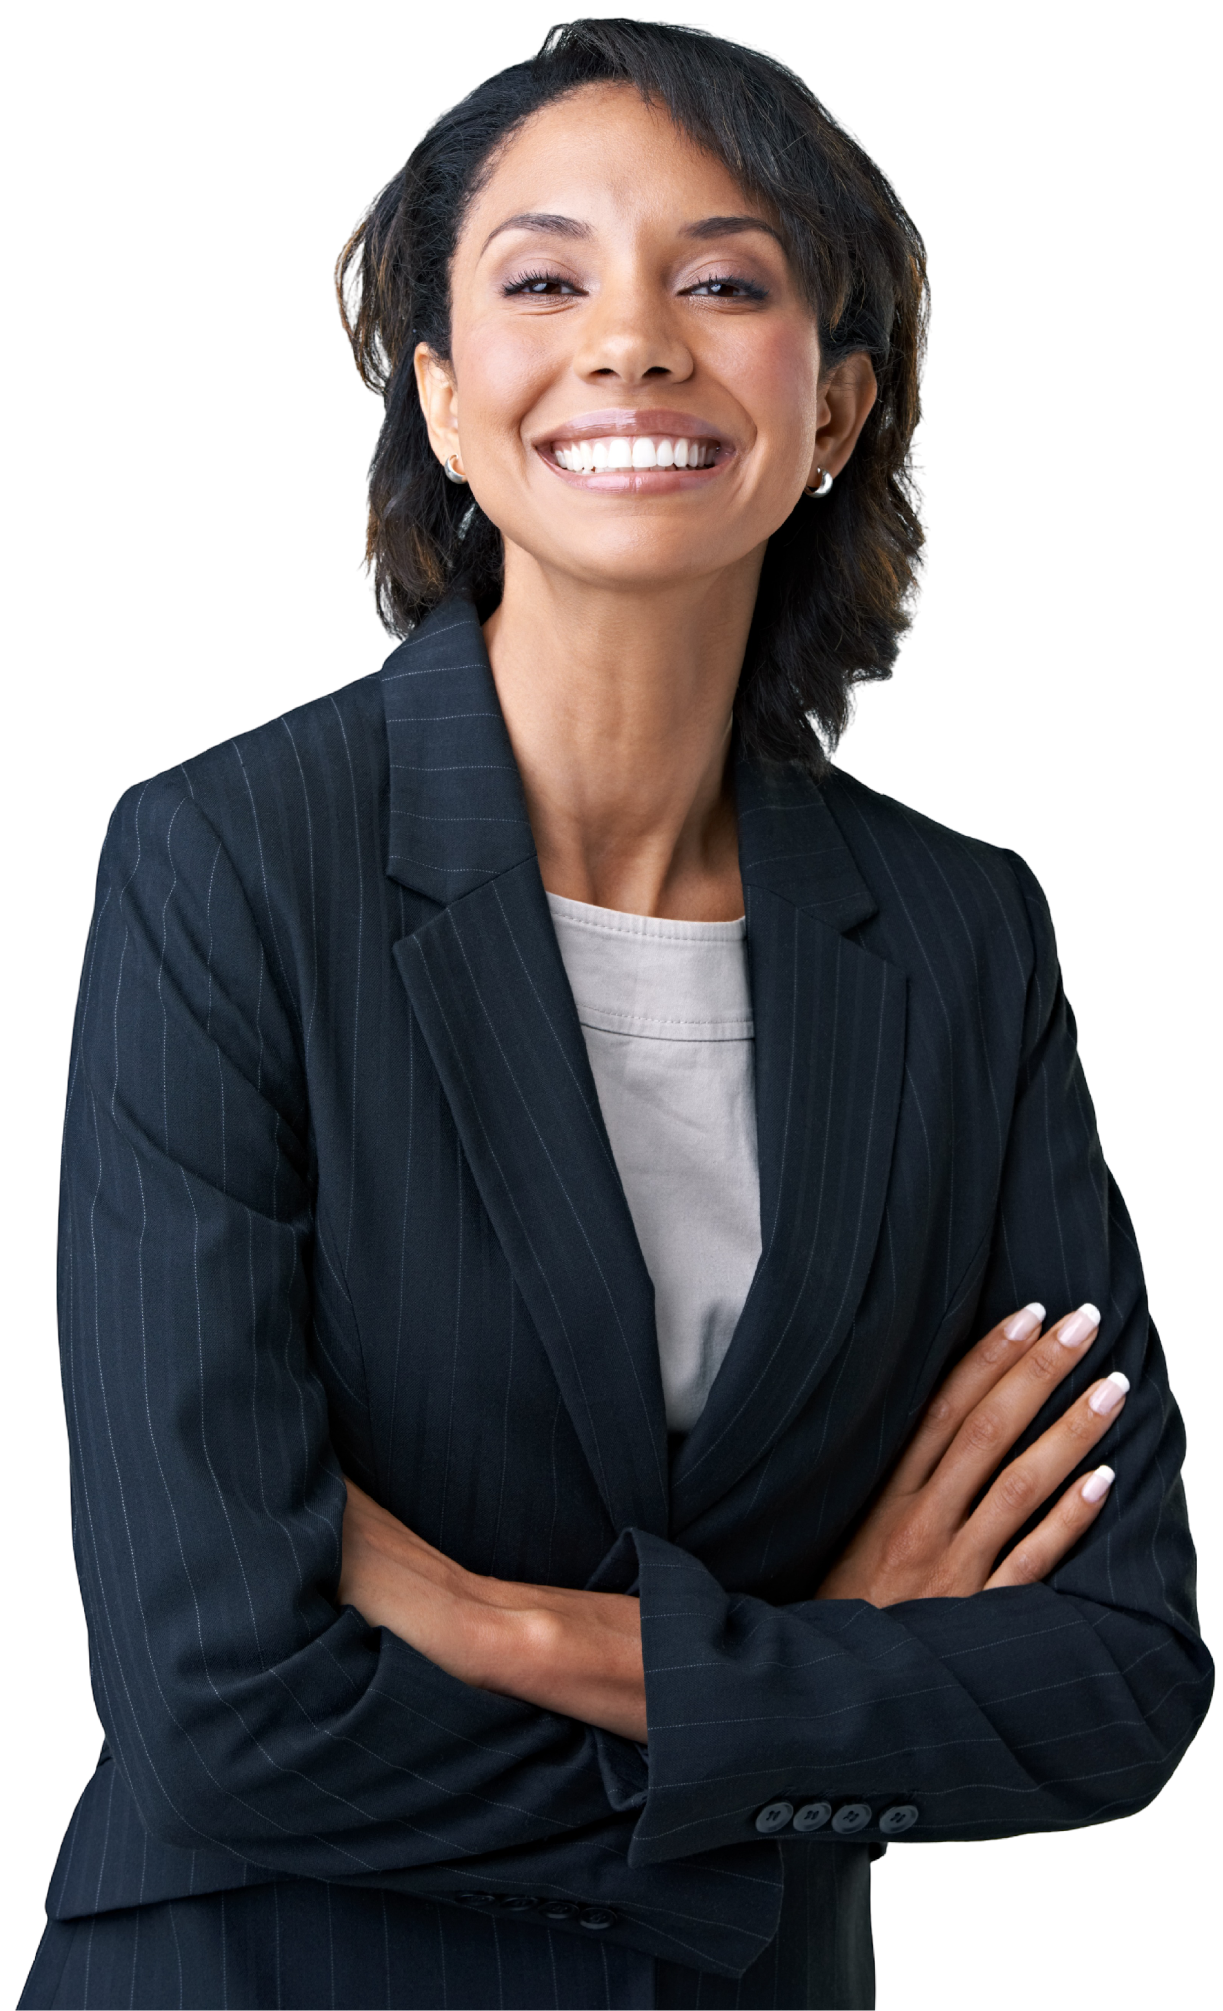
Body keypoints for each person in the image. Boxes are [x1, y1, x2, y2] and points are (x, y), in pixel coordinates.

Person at [18, 17, 1212, 2010]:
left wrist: (532, 1634)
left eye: (723, 283)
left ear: (834, 407)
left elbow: (1111, 1674)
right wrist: (814, 1672)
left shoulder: (956, 935)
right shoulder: (227, 865)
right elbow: (216, 1702)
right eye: (544, 281)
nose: (635, 342)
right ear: (441, 393)